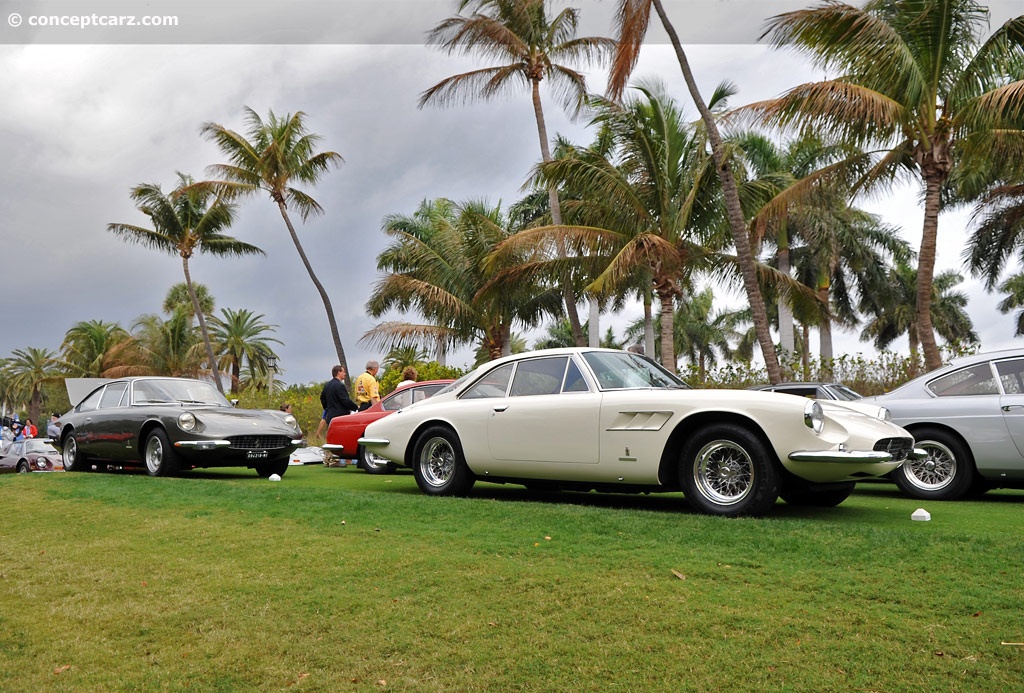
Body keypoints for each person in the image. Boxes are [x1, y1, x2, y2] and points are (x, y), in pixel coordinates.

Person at [319, 365, 358, 466]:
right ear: (338, 372)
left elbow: (322, 398)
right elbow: (345, 400)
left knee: (330, 437)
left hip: (330, 414)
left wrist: (327, 408)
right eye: (343, 372)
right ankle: (335, 460)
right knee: (340, 438)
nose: (345, 374)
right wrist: (355, 407)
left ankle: (328, 459)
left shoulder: (327, 385)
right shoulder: (339, 386)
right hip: (340, 416)